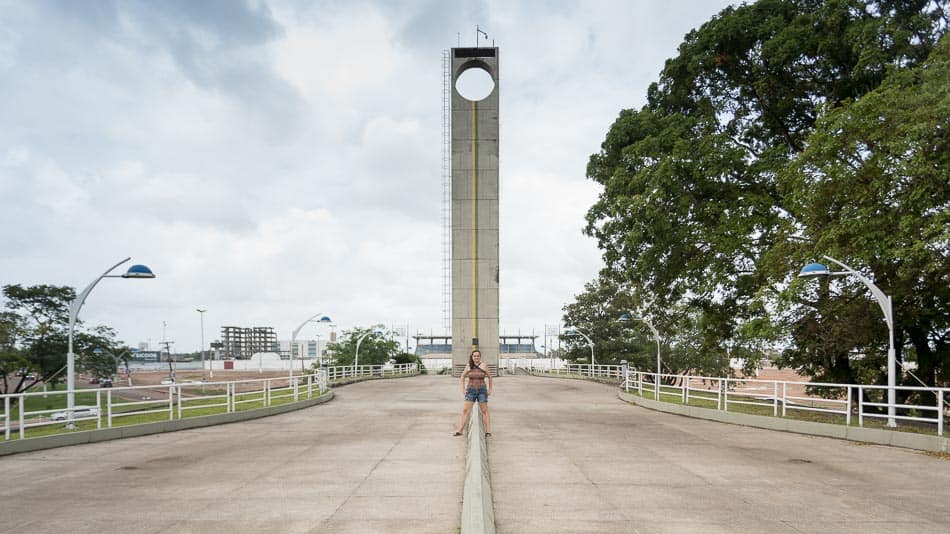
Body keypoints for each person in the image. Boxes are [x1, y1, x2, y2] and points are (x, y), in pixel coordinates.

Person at [453, 349, 493, 437]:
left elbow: (490, 377)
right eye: (474, 356)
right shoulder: (468, 366)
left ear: (480, 357)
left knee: (484, 411)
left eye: (478, 356)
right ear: (472, 357)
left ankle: (488, 431)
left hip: (482, 391)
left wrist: (490, 389)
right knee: (465, 410)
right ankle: (460, 430)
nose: (476, 357)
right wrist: (463, 389)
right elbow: (462, 376)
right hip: (470, 390)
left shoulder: (484, 365)